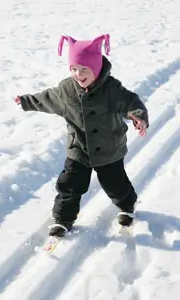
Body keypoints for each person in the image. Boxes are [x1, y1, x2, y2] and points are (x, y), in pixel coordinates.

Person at [15, 34, 149, 237]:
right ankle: (63, 219)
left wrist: (138, 116)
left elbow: (130, 102)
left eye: (84, 69)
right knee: (69, 184)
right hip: (79, 148)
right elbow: (47, 98)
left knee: (115, 184)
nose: (78, 74)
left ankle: (127, 206)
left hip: (108, 148)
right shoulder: (66, 89)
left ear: (96, 67)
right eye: (74, 68)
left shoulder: (111, 89)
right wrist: (27, 101)